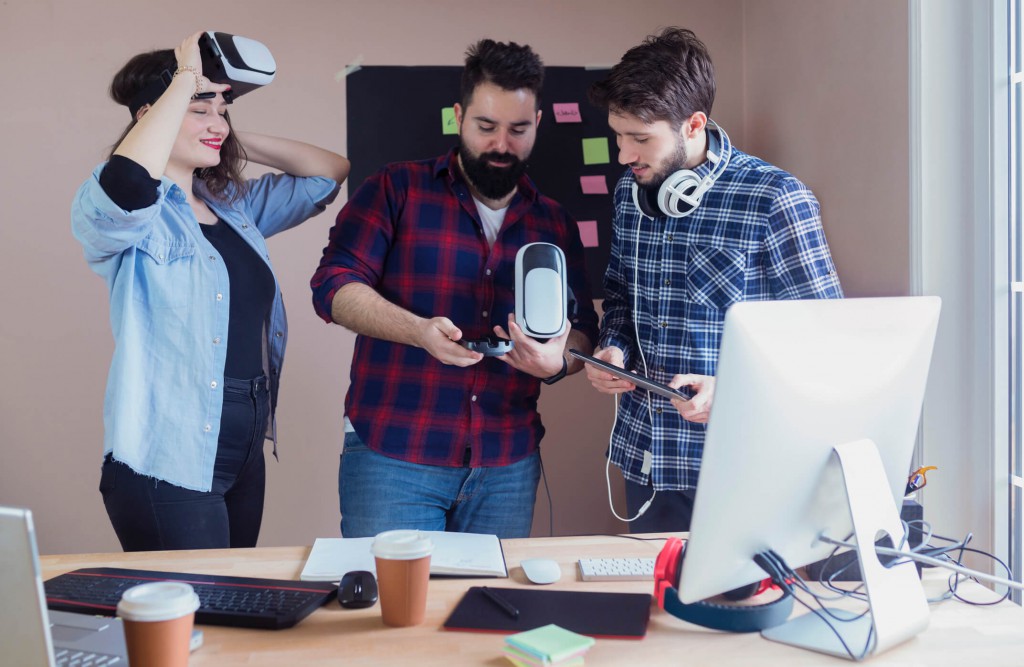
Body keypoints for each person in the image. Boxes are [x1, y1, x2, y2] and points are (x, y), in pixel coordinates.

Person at [71, 32, 349, 551]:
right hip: (168, 451)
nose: (218, 123)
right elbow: (129, 184)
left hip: (241, 444)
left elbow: (328, 173)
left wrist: (219, 127)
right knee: (189, 615)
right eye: (202, 108)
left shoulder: (232, 207)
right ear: (152, 114)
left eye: (224, 111)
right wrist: (181, 87)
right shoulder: (122, 208)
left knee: (230, 611)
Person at [310, 38, 599, 539]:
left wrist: (559, 362)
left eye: (518, 129)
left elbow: (583, 334)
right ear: (459, 116)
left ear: (539, 125)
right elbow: (334, 286)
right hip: (393, 454)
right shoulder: (394, 189)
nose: (501, 145)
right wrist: (418, 330)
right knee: (390, 614)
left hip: (507, 461)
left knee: (486, 612)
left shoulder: (555, 222)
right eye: (486, 127)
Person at [583, 27, 843, 533]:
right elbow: (618, 295)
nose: (624, 155)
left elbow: (827, 340)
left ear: (694, 124)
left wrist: (732, 390)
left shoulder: (775, 199)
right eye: (619, 136)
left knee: (745, 611)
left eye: (640, 139)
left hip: (740, 465)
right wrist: (613, 348)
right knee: (660, 611)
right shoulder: (628, 194)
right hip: (648, 461)